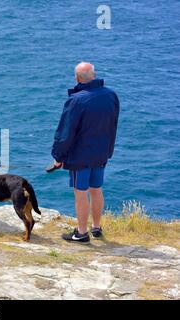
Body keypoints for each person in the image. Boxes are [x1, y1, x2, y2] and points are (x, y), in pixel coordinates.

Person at [51, 62, 119, 243]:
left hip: (80, 156)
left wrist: (58, 156)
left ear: (77, 78)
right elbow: (113, 124)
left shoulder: (76, 100)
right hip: (101, 152)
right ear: (94, 75)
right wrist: (108, 150)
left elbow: (65, 132)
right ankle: (96, 228)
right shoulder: (111, 95)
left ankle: (81, 233)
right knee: (96, 189)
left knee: (80, 192)